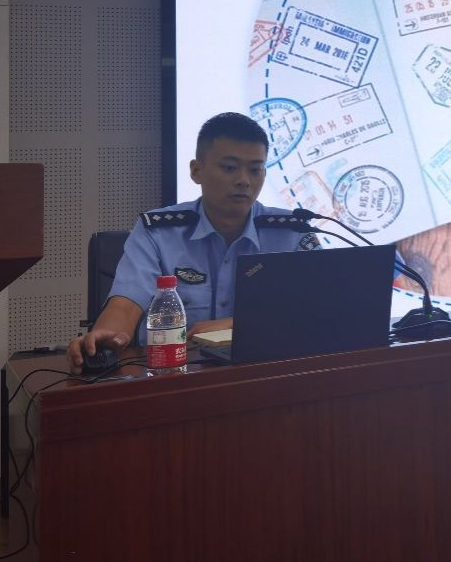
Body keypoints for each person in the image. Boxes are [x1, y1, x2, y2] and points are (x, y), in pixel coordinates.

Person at [67, 112, 318, 372]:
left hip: (265, 375)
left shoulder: (294, 232)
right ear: (196, 171)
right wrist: (107, 338)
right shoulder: (157, 231)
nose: (244, 180)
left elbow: (319, 311)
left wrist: (236, 324)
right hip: (172, 375)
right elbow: (126, 304)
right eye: (229, 168)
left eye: (255, 170)